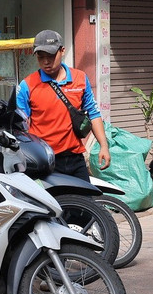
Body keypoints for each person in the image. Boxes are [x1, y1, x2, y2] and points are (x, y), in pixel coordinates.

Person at [16, 29, 110, 182]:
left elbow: (93, 113)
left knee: (85, 204)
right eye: (41, 57)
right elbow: (19, 125)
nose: (46, 62)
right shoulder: (27, 85)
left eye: (51, 56)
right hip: (44, 161)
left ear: (62, 51)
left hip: (75, 158)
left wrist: (103, 146)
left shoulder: (80, 78)